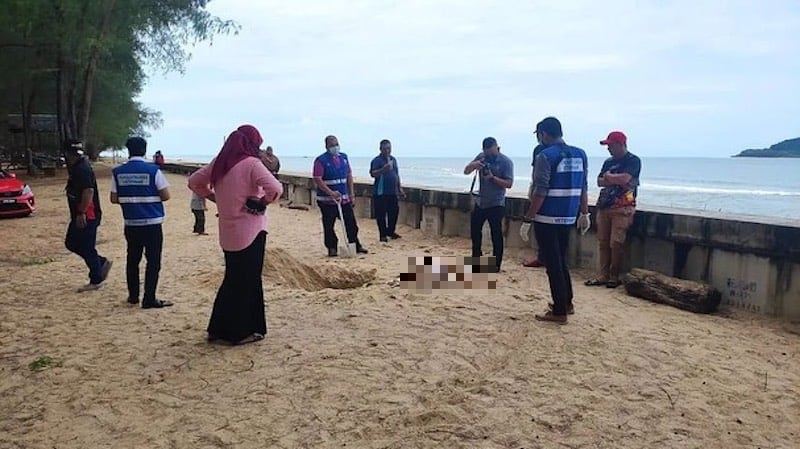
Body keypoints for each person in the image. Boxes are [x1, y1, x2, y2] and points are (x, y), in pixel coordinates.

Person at [188, 124, 283, 345]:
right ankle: (241, 331)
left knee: (232, 279)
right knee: (249, 281)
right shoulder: (251, 164)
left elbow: (194, 182)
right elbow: (276, 189)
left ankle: (218, 329)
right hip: (252, 230)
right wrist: (262, 202)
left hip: (228, 231)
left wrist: (214, 198)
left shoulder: (219, 164)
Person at [522, 117, 590, 324]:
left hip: (547, 216)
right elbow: (583, 187)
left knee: (552, 264)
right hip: (568, 216)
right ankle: (567, 302)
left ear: (543, 134)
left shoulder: (545, 156)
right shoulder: (580, 154)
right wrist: (584, 213)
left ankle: (559, 310)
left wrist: (528, 218)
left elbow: (540, 191)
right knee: (561, 260)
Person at [110, 137, 172, 309]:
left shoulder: (118, 171)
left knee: (132, 259)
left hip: (131, 223)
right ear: (145, 150)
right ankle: (149, 298)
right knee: (153, 261)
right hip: (152, 223)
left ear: (128, 150)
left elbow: (113, 199)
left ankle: (133, 296)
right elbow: (166, 195)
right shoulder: (153, 170)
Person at [585, 131, 641, 289]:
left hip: (623, 206)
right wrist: (613, 179)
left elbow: (626, 180)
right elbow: (599, 181)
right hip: (605, 205)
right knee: (603, 242)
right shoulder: (608, 162)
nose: (609, 149)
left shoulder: (633, 160)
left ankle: (614, 275)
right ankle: (603, 274)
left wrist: (610, 178)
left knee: (616, 242)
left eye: (611, 145)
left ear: (621, 144)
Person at [63, 139, 112, 291]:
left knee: (86, 246)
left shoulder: (81, 168)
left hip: (87, 214)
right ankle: (100, 263)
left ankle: (96, 279)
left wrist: (81, 212)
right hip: (80, 213)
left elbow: (88, 191)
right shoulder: (77, 166)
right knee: (71, 243)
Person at [463, 137, 514, 270]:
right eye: (486, 153)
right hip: (481, 202)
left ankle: (496, 264)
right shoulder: (481, 157)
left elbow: (509, 184)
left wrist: (493, 178)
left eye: (491, 153)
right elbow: (466, 171)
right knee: (475, 232)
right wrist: (475, 165)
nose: (489, 156)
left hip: (497, 203)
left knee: (496, 234)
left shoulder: (506, 162)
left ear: (497, 148)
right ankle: (476, 261)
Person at [313, 135, 368, 256]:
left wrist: (351, 194)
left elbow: (349, 175)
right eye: (332, 145)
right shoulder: (321, 160)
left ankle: (355, 244)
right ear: (327, 146)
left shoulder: (344, 157)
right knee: (329, 225)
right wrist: (330, 193)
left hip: (344, 199)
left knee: (351, 224)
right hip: (327, 201)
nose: (335, 147)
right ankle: (332, 247)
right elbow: (317, 179)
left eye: (336, 144)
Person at [369, 139, 406, 242]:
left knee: (394, 212)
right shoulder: (376, 160)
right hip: (380, 192)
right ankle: (383, 234)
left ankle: (390, 231)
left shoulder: (393, 160)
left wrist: (400, 188)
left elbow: (396, 175)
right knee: (381, 214)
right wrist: (382, 170)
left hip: (392, 192)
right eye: (385, 148)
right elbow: (372, 174)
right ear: (380, 149)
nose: (387, 150)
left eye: (389, 148)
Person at [523, 139, 547, 268]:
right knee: (538, 223)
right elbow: (535, 171)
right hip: (538, 186)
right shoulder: (538, 150)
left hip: (546, 189)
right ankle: (541, 256)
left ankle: (546, 257)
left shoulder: (549, 153)